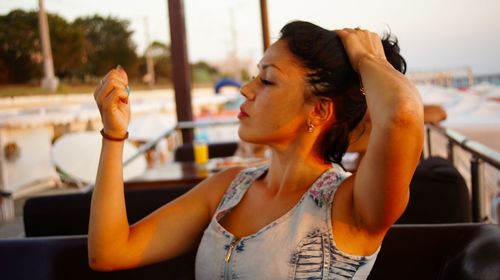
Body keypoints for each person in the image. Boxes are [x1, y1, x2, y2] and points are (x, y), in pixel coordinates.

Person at [89, 21, 423, 279]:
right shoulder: (228, 188)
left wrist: (367, 58)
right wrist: (115, 136)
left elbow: (403, 116)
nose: (246, 90)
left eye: (267, 80)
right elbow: (110, 252)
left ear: (319, 110)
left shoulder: (351, 205)